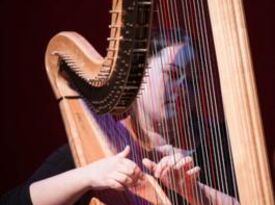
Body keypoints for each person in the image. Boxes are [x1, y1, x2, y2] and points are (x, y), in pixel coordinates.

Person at [1, 30, 239, 205]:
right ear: (137, 79)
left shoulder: (222, 142)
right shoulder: (103, 142)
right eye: (173, 74)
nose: (183, 87)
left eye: (192, 81)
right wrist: (88, 175)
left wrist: (195, 192)